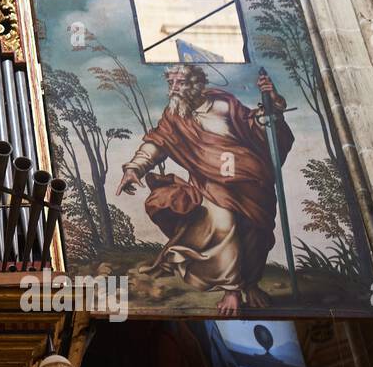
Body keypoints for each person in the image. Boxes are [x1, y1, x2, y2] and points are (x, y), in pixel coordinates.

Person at [117, 64, 292, 316]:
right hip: (210, 183)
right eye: (171, 84)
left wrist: (273, 105)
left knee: (256, 232)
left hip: (250, 180)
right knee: (223, 224)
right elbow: (158, 142)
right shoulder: (175, 115)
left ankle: (250, 284)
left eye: (181, 83)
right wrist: (135, 168)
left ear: (197, 84)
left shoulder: (224, 104)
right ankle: (231, 290)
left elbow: (257, 129)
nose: (174, 89)